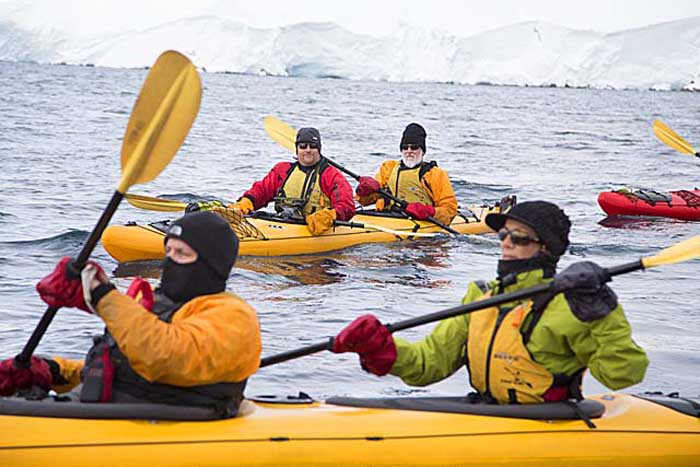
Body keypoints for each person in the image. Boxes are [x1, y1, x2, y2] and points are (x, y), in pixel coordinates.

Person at [331, 201, 649, 404]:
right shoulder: (481, 296)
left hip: (547, 425)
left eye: (519, 237)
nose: (507, 243)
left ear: (545, 249)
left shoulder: (572, 305)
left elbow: (623, 375)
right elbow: (430, 365)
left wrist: (605, 312)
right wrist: (382, 348)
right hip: (490, 418)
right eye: (503, 236)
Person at [0, 211, 261, 418]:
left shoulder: (234, 316)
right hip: (109, 409)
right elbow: (126, 370)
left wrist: (103, 295)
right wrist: (55, 371)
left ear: (209, 264)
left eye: (182, 253)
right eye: (168, 251)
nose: (169, 261)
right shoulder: (164, 304)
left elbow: (164, 357)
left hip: (158, 419)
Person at [189, 127, 355, 235]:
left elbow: (347, 206)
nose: (308, 150)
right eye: (303, 146)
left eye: (312, 146)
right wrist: (244, 204)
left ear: (319, 149)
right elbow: (261, 191)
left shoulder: (330, 175)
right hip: (284, 223)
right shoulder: (282, 170)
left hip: (317, 230)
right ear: (296, 150)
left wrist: (329, 215)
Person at [355, 123, 458, 225]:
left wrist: (428, 211)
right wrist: (363, 192)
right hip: (388, 217)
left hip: (423, 221)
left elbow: (450, 211)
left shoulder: (435, 174)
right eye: (405, 147)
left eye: (414, 147)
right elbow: (365, 201)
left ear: (422, 151)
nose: (409, 151)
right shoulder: (388, 169)